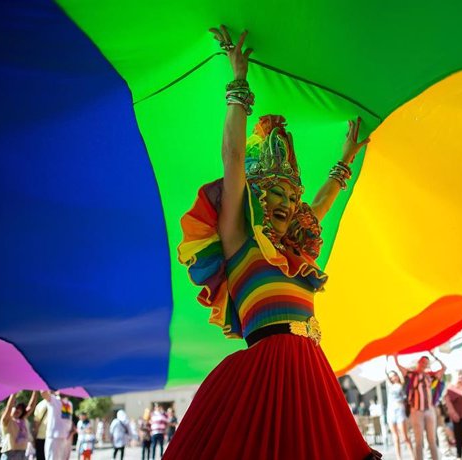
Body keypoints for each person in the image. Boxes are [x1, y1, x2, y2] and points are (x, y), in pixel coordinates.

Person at [163, 25, 378, 460]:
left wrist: (344, 162)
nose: (286, 203)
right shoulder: (239, 242)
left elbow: (318, 204)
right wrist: (238, 84)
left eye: (290, 195)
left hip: (311, 376)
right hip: (263, 376)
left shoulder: (295, 253)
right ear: (257, 199)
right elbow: (233, 158)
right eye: (274, 194)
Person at [393, 354, 443, 460]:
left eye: (426, 363)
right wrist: (395, 357)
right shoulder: (412, 374)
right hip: (416, 410)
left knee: (432, 440)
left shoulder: (430, 375)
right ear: (418, 362)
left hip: (429, 410)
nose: (424, 364)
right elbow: (398, 366)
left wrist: (434, 355)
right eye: (423, 362)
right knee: (418, 440)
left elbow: (444, 368)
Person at [384, 368, 415, 460]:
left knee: (405, 437)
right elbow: (386, 375)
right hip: (390, 412)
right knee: (395, 438)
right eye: (392, 376)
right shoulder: (389, 386)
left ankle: (413, 457)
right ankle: (399, 458)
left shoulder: (402, 385)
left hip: (400, 411)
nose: (394, 377)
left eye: (395, 375)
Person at [0, 392, 37, 460]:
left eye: (21, 409)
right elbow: (9, 407)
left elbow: (31, 407)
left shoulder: (22, 420)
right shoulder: (7, 420)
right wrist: (13, 393)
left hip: (22, 452)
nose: (18, 410)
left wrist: (36, 390)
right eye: (16, 408)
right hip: (10, 453)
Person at [41, 390, 74, 460]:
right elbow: (43, 392)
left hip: (66, 439)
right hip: (54, 438)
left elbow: (68, 421)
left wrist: (71, 433)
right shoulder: (53, 399)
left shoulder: (70, 404)